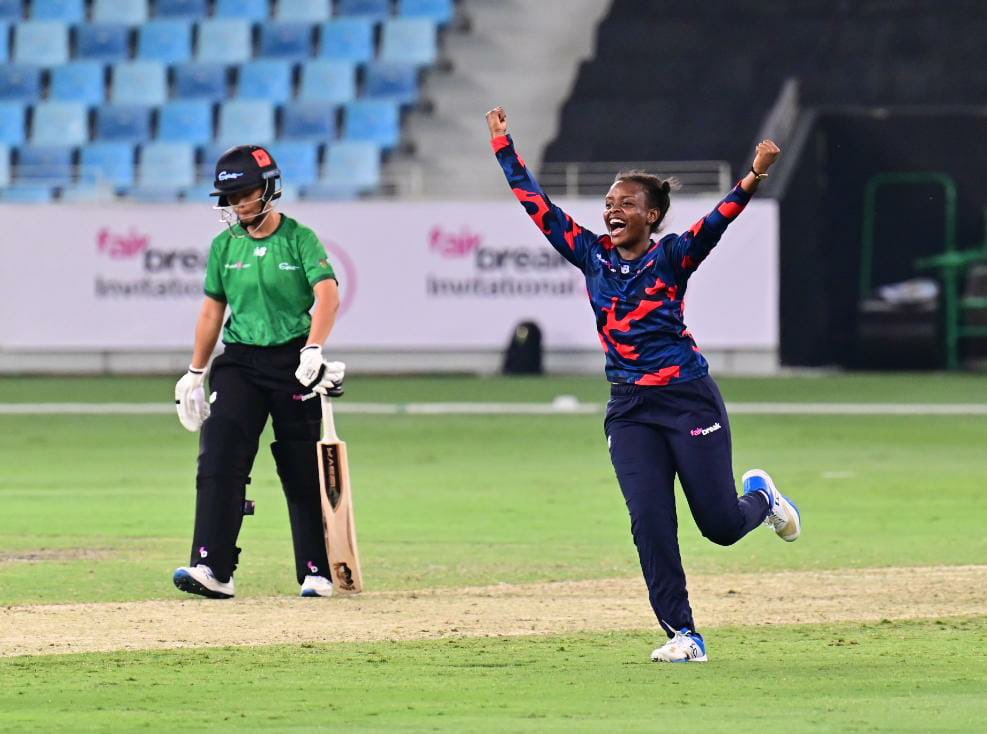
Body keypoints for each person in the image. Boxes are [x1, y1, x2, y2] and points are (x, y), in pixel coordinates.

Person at [486, 106, 800, 662]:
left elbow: (718, 221)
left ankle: (762, 497)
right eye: (608, 203)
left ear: (651, 214)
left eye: (626, 203)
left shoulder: (674, 256)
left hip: (686, 397)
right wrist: (504, 147)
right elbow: (538, 207)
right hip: (629, 407)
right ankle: (684, 634)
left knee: (721, 527)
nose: (613, 210)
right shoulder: (591, 255)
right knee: (649, 521)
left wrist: (754, 174)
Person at [172, 145, 345, 600]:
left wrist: (314, 347)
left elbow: (327, 295)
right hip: (240, 362)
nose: (238, 205)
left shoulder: (299, 239)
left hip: (293, 361)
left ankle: (317, 569)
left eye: (246, 194)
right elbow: (212, 312)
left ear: (268, 188)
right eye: (230, 198)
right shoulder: (224, 248)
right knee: (219, 456)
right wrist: (194, 371)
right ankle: (212, 567)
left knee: (301, 465)